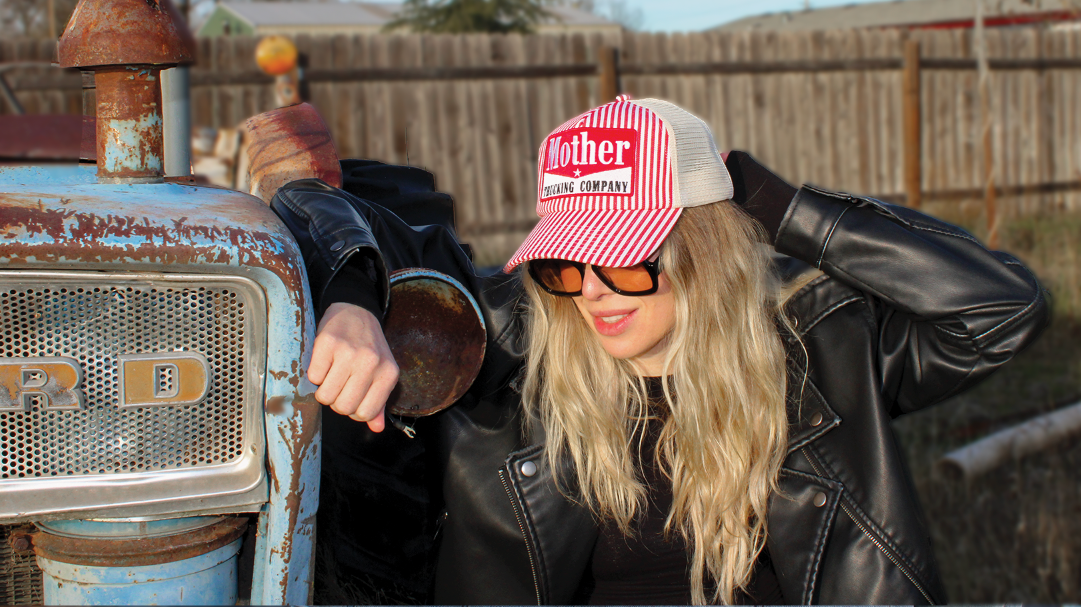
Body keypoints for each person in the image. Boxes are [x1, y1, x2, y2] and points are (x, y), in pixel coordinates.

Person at [271, 97, 1049, 605]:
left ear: (703, 250)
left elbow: (999, 309)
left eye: (623, 257)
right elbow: (316, 210)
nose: (591, 292)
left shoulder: (821, 347)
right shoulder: (513, 342)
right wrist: (354, 292)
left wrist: (783, 208)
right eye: (565, 260)